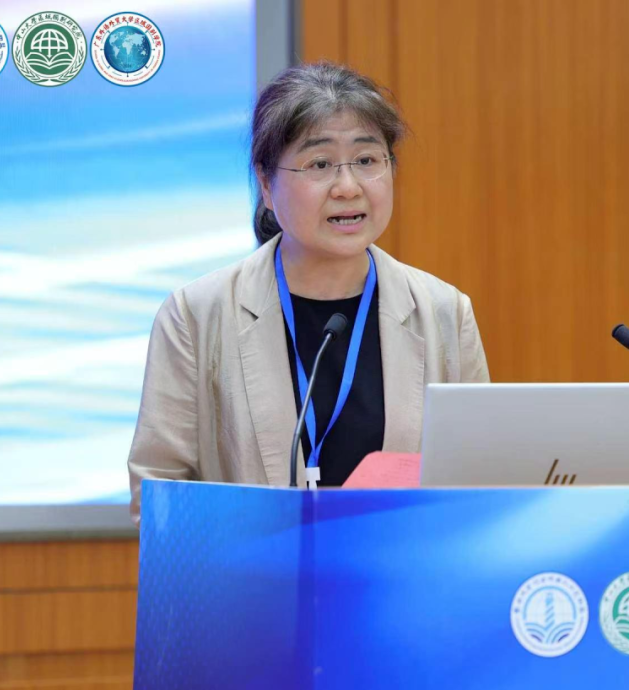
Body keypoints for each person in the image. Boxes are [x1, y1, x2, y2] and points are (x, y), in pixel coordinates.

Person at [127, 62, 489, 521]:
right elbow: (158, 495)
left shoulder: (444, 312)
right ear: (265, 183)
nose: (348, 187)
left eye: (367, 161)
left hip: (401, 566)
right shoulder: (196, 315)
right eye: (320, 164)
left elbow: (479, 480)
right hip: (256, 567)